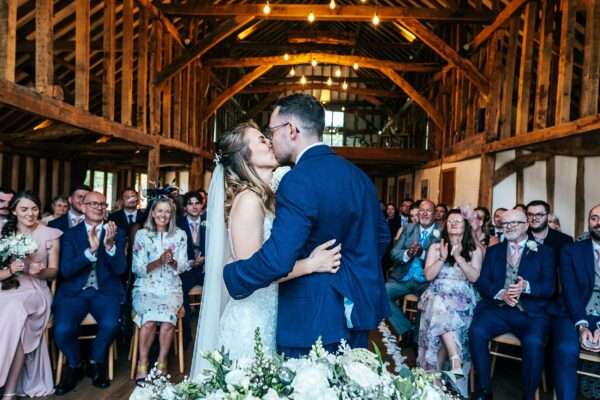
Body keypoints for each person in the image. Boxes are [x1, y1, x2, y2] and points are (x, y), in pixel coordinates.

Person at [221, 94, 389, 359]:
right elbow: (380, 237)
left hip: (310, 319)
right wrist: (347, 272)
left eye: (272, 131)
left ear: (291, 129)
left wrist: (234, 275)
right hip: (357, 312)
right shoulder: (360, 177)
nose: (271, 139)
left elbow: (278, 259)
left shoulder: (297, 180)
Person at [189, 119, 345, 378]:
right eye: (261, 139)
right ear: (244, 157)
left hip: (272, 311)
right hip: (252, 320)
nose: (269, 141)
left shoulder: (268, 197)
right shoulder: (249, 200)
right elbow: (256, 271)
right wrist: (311, 264)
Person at [469, 208, 555, 400]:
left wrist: (527, 286)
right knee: (476, 331)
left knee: (534, 342)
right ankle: (485, 389)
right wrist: (500, 293)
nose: (508, 227)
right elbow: (483, 282)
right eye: (505, 224)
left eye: (513, 223)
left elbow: (550, 288)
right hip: (499, 310)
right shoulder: (494, 251)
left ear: (526, 224)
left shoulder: (545, 253)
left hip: (530, 313)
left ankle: (528, 395)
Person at [52, 191, 126, 395]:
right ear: (83, 207)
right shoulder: (70, 235)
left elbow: (120, 270)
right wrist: (90, 252)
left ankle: (96, 361)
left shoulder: (116, 233)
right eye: (93, 203)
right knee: (62, 330)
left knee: (111, 325)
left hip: (105, 291)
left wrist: (109, 246)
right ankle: (74, 365)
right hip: (74, 292)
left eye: (103, 204)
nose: (99, 207)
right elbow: (66, 271)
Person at [0, 192, 60, 398]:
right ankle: (9, 391)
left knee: (15, 308)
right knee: (15, 321)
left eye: (34, 208)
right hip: (6, 287)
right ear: (14, 210)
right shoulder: (3, 232)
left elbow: (54, 272)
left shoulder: (50, 234)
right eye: (24, 209)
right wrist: (11, 269)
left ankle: (8, 391)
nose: (30, 213)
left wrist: (38, 271)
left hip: (36, 290)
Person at [418, 209, 482, 384]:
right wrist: (442, 258)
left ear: (466, 226)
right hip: (437, 294)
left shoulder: (475, 249)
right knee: (439, 304)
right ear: (445, 225)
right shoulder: (435, 247)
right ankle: (455, 360)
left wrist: (458, 257)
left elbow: (474, 277)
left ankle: (434, 380)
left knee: (442, 319)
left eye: (458, 221)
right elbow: (429, 276)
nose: (453, 224)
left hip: (461, 298)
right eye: (450, 221)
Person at [131, 197, 189, 382]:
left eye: (167, 212)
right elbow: (137, 269)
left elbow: (183, 267)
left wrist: (171, 261)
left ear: (171, 215)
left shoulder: (179, 235)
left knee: (167, 321)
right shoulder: (142, 235)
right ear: (153, 213)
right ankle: (143, 362)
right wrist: (158, 261)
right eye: (160, 211)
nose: (163, 215)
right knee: (148, 321)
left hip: (171, 288)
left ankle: (162, 362)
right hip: (145, 288)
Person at [551, 204, 600, 400]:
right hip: (574, 312)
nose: (599, 223)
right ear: (589, 222)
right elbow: (570, 290)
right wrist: (582, 325)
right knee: (566, 349)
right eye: (594, 218)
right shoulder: (571, 250)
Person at [387, 199, 440, 341]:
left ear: (434, 214)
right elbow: (393, 253)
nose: (424, 213)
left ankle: (417, 341)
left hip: (426, 281)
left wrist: (422, 254)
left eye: (428, 210)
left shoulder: (442, 232)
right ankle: (406, 329)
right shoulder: (409, 228)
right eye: (422, 210)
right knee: (381, 294)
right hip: (403, 277)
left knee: (428, 300)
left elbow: (443, 258)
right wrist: (407, 254)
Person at [176, 191, 207, 345]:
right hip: (186, 268)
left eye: (197, 203)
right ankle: (186, 334)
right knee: (180, 291)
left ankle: (209, 331)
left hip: (206, 268)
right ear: (185, 207)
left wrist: (207, 259)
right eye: (190, 203)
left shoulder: (210, 221)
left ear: (202, 205)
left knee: (217, 287)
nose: (194, 207)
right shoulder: (177, 223)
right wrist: (190, 262)